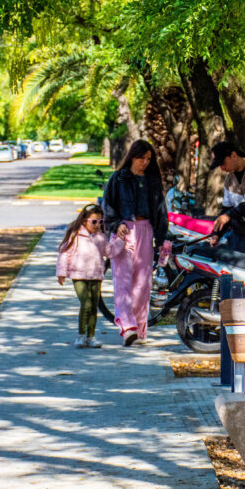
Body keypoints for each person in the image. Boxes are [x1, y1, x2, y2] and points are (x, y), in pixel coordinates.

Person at [102, 139, 169, 346]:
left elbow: (161, 212)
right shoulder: (118, 178)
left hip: (146, 231)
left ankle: (139, 330)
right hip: (124, 233)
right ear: (132, 156)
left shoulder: (153, 181)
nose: (145, 162)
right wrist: (116, 225)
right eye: (141, 158)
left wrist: (161, 238)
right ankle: (127, 327)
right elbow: (108, 206)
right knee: (123, 283)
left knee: (142, 283)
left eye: (148, 159)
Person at [56, 204, 110, 348]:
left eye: (100, 222)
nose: (97, 225)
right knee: (86, 304)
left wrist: (122, 241)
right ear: (85, 221)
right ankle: (81, 336)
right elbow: (64, 253)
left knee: (93, 307)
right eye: (94, 221)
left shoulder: (101, 237)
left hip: (96, 276)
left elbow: (110, 252)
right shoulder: (75, 235)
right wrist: (61, 272)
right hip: (79, 276)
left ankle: (90, 337)